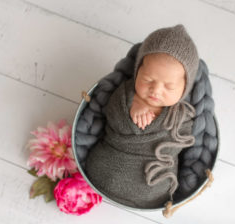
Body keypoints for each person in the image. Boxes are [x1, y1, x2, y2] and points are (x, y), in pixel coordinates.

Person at [85, 24, 199, 208]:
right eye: (147, 80)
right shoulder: (124, 94)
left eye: (169, 87)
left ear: (185, 89)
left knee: (158, 181)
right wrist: (133, 104)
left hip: (152, 187)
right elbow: (111, 115)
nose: (156, 90)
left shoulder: (182, 116)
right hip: (104, 172)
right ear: (137, 71)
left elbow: (179, 145)